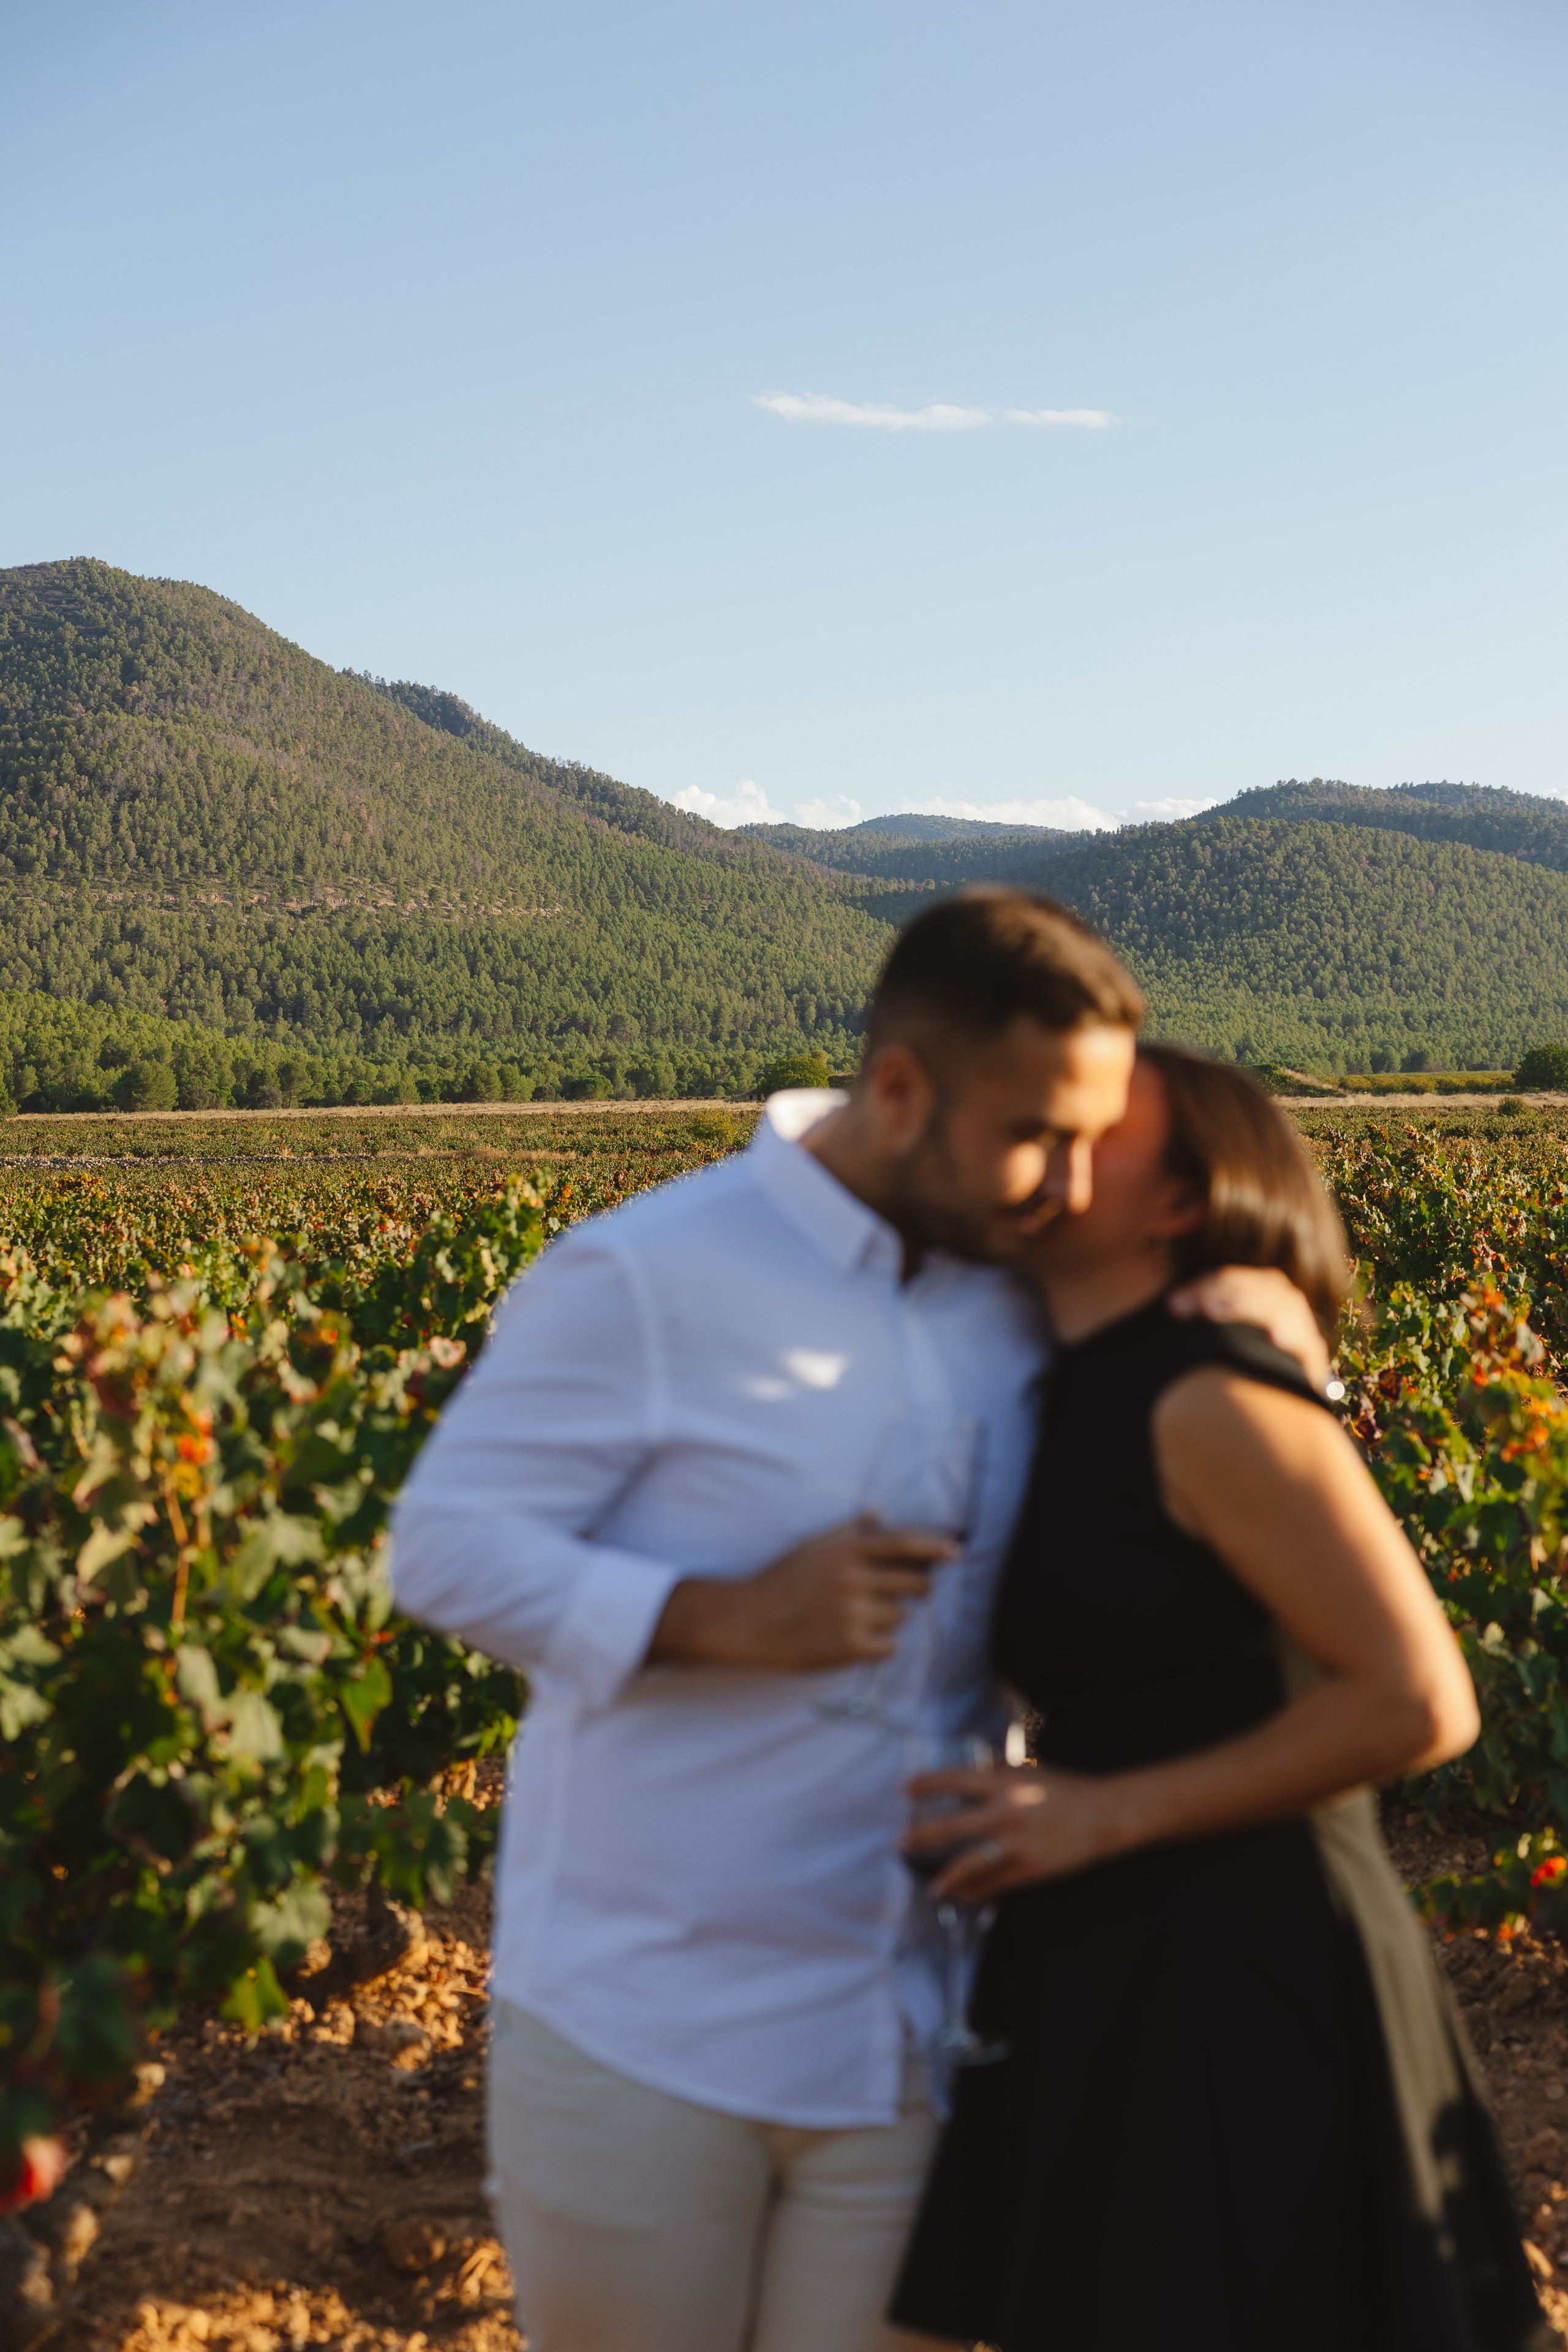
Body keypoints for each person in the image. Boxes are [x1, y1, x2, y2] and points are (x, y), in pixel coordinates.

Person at [389, 894, 1326, 2352]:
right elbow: (442, 1549)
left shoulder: (1027, 1290)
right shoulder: (644, 1275)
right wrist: (713, 1617)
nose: (1070, 1183)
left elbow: (1187, 1457)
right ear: (898, 1091)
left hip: (917, 2025)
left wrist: (1252, 1316)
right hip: (646, 2029)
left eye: (1093, 1139)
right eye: (1037, 1133)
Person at [889, 1045, 1551, 2352]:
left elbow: (1422, 1702)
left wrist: (1103, 1814)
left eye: (1094, 1129)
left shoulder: (1197, 1395)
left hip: (1237, 1957)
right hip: (1118, 1945)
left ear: (1180, 1204)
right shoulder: (1073, 1380)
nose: (1052, 1147)